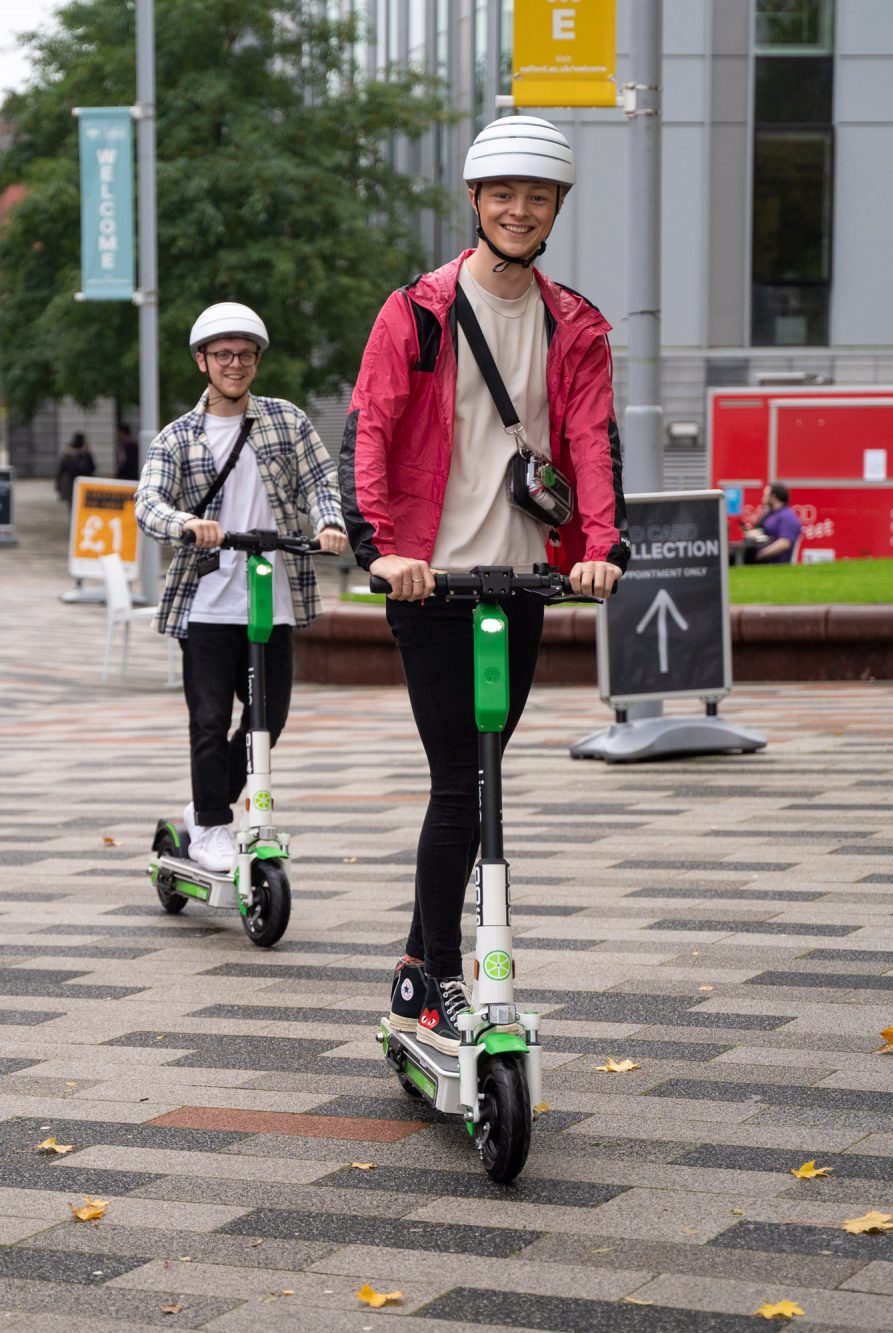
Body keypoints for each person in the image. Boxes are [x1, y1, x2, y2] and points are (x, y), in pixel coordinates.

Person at [343, 115, 629, 1055]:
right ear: (474, 202)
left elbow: (592, 442)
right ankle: (431, 974)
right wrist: (379, 547)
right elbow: (369, 430)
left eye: (535, 197)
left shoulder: (574, 323)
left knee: (484, 777)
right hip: (431, 583)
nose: (518, 209)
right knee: (461, 782)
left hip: (519, 582)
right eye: (502, 193)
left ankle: (424, 971)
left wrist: (600, 545)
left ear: (555, 210)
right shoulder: (416, 311)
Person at [136, 303, 347, 872]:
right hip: (206, 604)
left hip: (270, 600)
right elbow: (148, 504)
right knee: (209, 719)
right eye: (223, 354)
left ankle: (204, 805)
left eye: (246, 354)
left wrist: (329, 522)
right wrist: (185, 524)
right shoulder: (178, 437)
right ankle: (209, 827)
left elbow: (322, 481)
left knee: (267, 719)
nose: (235, 364)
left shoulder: (286, 420)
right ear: (202, 361)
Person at [731, 482, 802, 564]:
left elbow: (784, 543)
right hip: (756, 552)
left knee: (733, 559)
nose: (763, 498)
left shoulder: (787, 517)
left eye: (765, 494)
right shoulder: (770, 514)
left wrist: (759, 555)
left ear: (773, 497)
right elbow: (763, 533)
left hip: (771, 561)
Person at [55, 431, 96, 505]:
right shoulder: (86, 454)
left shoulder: (68, 454)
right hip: (83, 485)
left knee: (72, 506)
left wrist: (58, 487)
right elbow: (93, 468)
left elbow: (60, 472)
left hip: (72, 485)